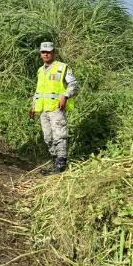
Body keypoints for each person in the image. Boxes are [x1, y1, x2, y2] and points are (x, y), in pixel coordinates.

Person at [28, 42, 78, 175]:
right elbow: (39, 91)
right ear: (40, 54)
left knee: (59, 136)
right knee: (48, 138)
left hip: (56, 108)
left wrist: (65, 96)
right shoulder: (40, 70)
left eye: (48, 52)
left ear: (53, 53)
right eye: (43, 52)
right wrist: (33, 106)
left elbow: (73, 84)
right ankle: (55, 161)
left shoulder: (62, 68)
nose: (45, 54)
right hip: (43, 109)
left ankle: (61, 164)